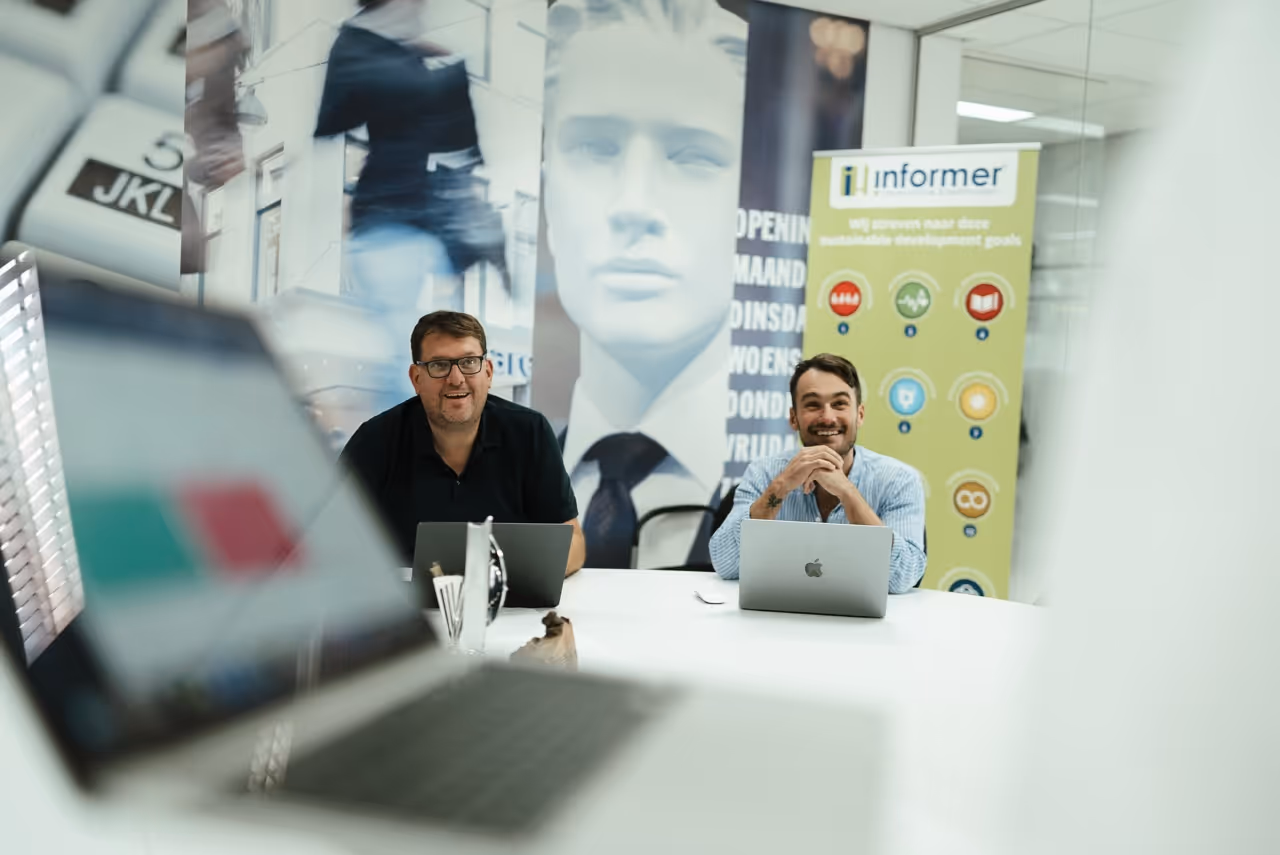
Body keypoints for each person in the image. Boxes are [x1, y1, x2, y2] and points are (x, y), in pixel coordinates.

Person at [541, 0, 747, 569]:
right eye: (593, 146)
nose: (633, 205)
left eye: (694, 156)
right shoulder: (515, 477)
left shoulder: (780, 490)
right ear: (549, 199)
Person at [315, 0, 499, 412]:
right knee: (406, 350)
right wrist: (405, 63)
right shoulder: (362, 45)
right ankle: (394, 456)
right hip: (386, 221)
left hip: (417, 223)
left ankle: (400, 453)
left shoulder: (402, 54)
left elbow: (457, 144)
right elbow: (332, 119)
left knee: (414, 348)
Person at [340, 311, 586, 576]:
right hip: (404, 609)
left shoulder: (530, 432)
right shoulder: (375, 440)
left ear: (488, 372)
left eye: (469, 362)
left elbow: (573, 543)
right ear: (416, 379)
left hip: (509, 605)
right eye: (439, 365)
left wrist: (496, 581)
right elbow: (327, 542)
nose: (456, 378)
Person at [709, 354, 926, 593]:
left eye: (840, 404)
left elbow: (903, 578)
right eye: (813, 405)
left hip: (863, 628)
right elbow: (725, 564)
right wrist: (780, 486)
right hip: (775, 621)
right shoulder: (764, 473)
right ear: (794, 418)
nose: (827, 417)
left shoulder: (899, 480)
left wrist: (848, 493)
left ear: (860, 415)